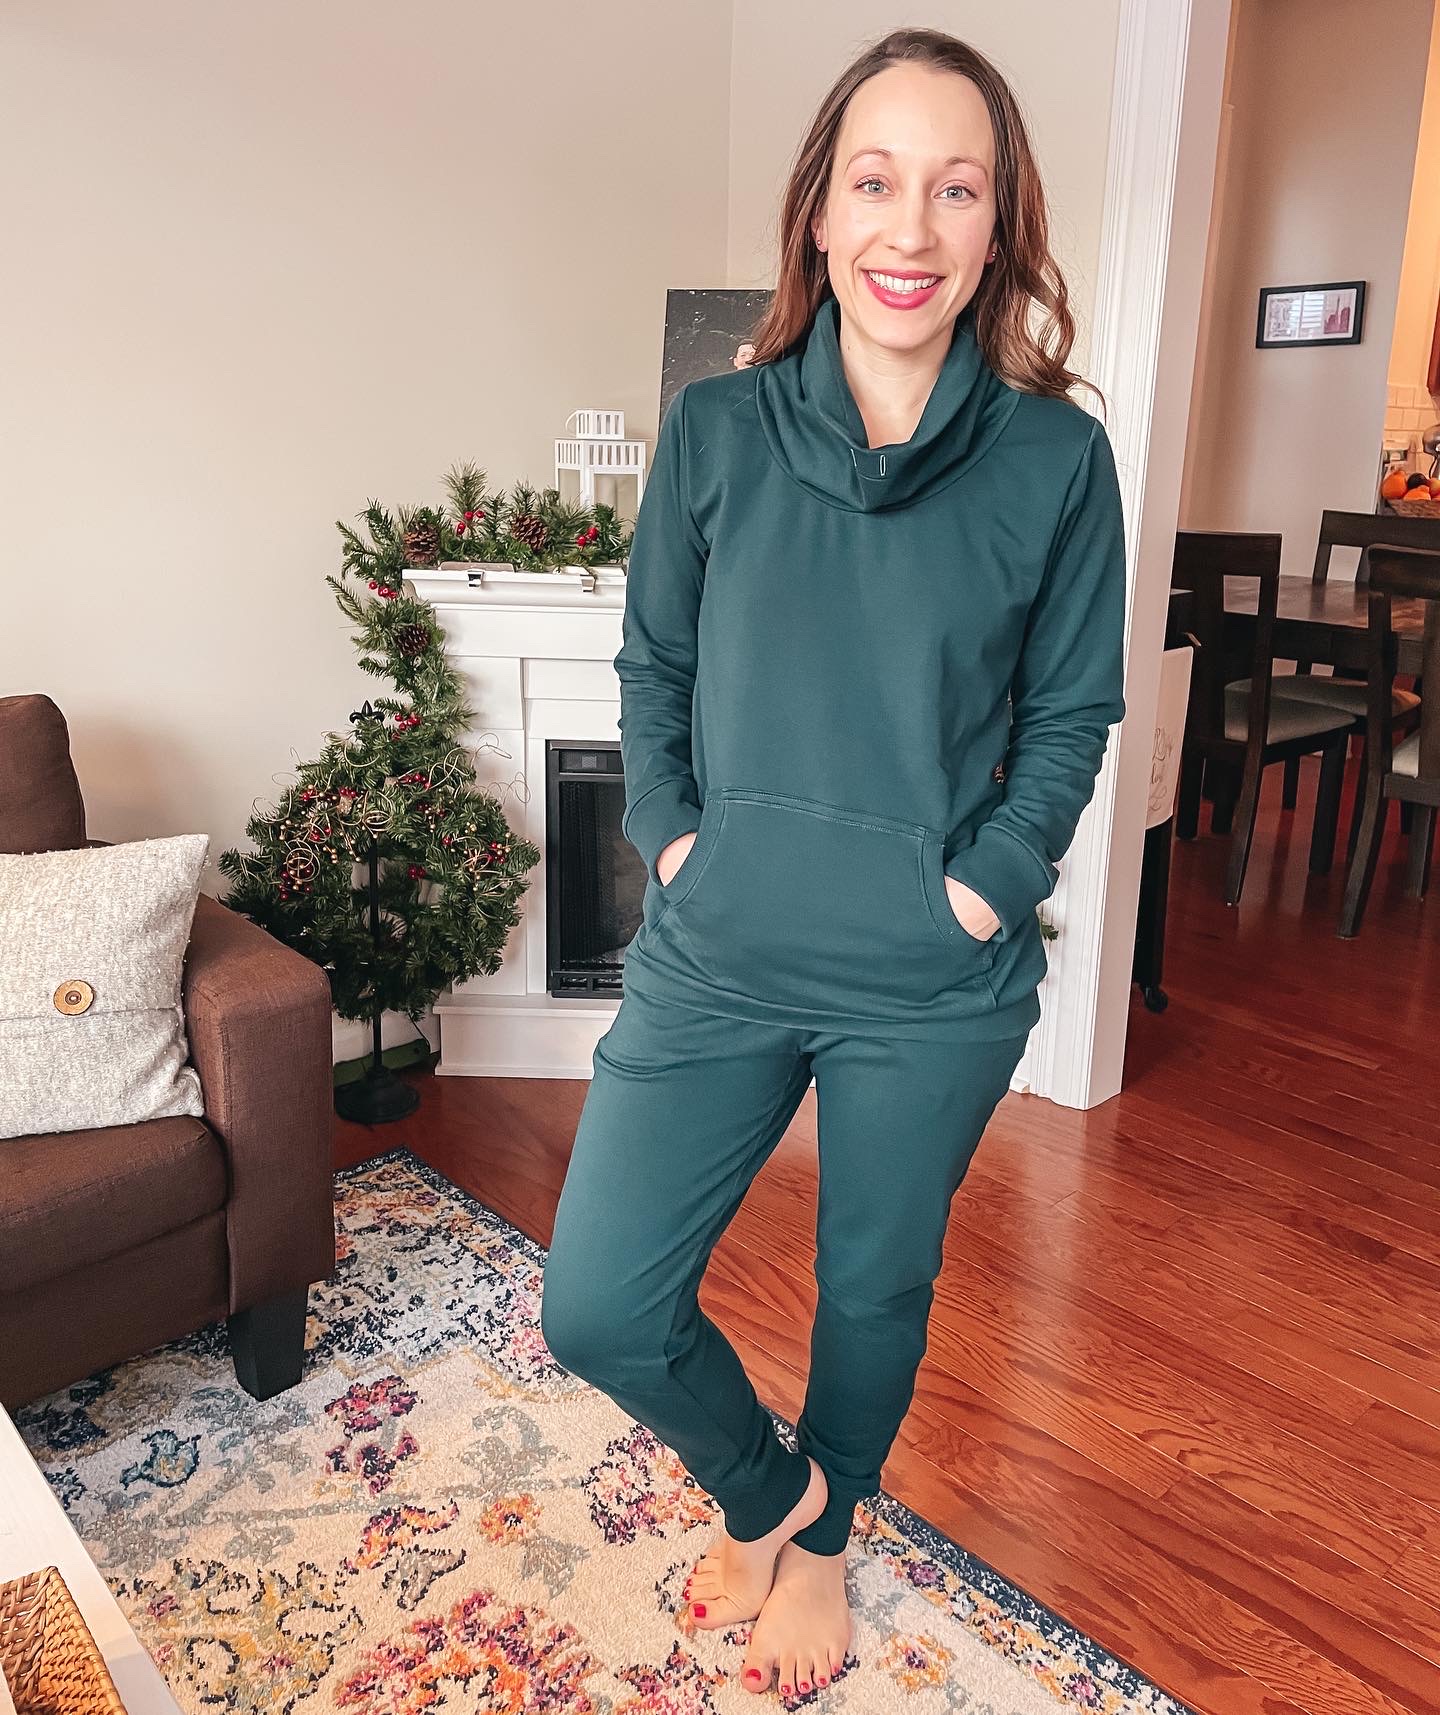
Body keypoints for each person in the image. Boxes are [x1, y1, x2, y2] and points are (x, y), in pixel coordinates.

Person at [540, 24, 1128, 1703]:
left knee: (875, 1284)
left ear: (999, 227)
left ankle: (829, 1531)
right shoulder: (716, 432)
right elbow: (654, 666)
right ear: (818, 210)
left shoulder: (1055, 460)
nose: (911, 228)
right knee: (598, 1304)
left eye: (958, 190)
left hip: (928, 980)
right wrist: (674, 841)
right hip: (719, 951)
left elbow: (1072, 713)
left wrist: (977, 890)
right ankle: (773, 1492)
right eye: (876, 182)